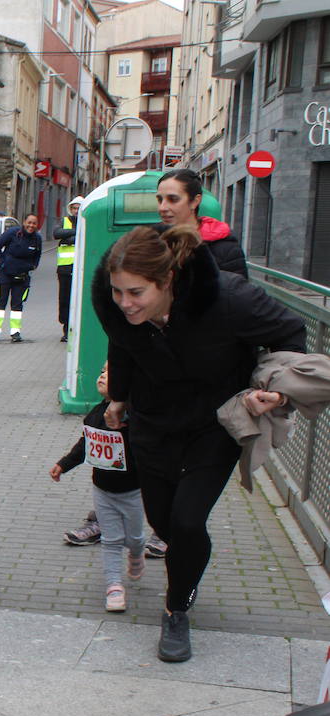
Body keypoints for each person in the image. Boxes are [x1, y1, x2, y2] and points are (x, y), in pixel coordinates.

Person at [92, 225, 304, 662]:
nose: (124, 303)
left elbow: (291, 332)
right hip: (152, 423)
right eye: (117, 292)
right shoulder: (119, 310)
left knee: (187, 522)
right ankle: (188, 562)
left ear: (166, 282)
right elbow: (124, 344)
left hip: (216, 424)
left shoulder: (229, 299)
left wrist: (276, 389)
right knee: (165, 524)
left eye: (135, 292)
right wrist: (118, 399)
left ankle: (176, 610)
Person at [49, 362, 146, 612]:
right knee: (111, 540)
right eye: (101, 371)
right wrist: (63, 464)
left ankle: (136, 554)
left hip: (133, 490)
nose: (102, 376)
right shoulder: (94, 414)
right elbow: (84, 445)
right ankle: (114, 586)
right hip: (102, 490)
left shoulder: (135, 416)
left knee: (134, 539)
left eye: (110, 372)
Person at [155, 169, 247, 278]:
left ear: (195, 201)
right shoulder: (150, 240)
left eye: (173, 199)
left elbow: (236, 291)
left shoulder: (225, 248)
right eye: (160, 200)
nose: (162, 207)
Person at [0, 213, 42, 343]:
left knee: (17, 305)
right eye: (29, 222)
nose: (31, 225)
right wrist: (2, 262)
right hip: (5, 275)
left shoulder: (37, 238)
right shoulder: (12, 233)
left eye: (34, 223)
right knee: (0, 302)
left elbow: (38, 254)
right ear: (24, 222)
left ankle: (15, 332)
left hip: (22, 277)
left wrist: (33, 266)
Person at [55, 196, 84, 342]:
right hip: (65, 269)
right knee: (65, 300)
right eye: (74, 208)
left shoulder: (87, 221)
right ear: (70, 209)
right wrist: (76, 232)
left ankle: (78, 328)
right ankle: (66, 329)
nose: (76, 211)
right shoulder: (65, 221)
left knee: (79, 300)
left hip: (81, 269)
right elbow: (57, 233)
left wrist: (67, 238)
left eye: (79, 208)